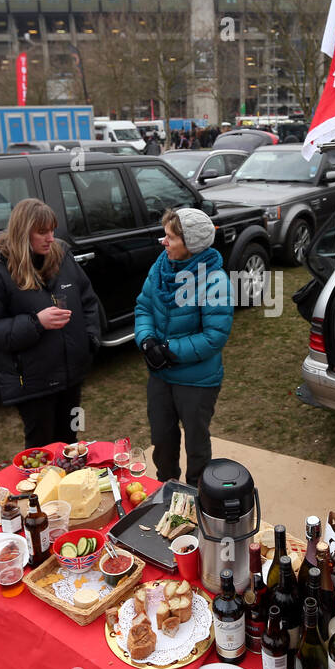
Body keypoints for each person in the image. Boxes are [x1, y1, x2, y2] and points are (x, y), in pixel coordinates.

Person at [0, 198, 101, 449]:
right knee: (41, 454)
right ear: (22, 231)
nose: (50, 238)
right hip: (33, 383)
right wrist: (36, 323)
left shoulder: (61, 255)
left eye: (52, 230)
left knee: (70, 445)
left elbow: (89, 301)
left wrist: (90, 340)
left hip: (71, 376)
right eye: (42, 232)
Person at [135, 207, 232, 486]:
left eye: (170, 238)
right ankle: (166, 489)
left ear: (191, 245)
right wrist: (147, 340)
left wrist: (168, 350)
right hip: (160, 377)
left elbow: (214, 336)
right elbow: (144, 307)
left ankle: (197, 495)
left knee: (196, 444)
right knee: (162, 441)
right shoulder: (160, 268)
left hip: (197, 381)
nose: (163, 242)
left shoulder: (214, 281)